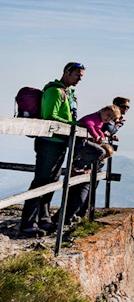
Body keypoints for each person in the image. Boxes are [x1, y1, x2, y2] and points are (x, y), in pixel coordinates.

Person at [20, 62, 86, 237]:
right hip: (49, 142)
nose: (79, 79)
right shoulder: (55, 91)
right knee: (41, 181)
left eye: (81, 76)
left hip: (59, 142)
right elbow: (49, 116)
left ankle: (44, 218)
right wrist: (75, 124)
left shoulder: (69, 93)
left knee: (52, 181)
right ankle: (28, 223)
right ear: (66, 72)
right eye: (77, 75)